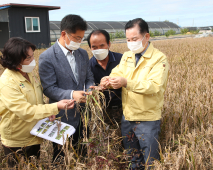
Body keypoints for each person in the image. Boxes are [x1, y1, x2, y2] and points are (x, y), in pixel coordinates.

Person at [100, 18, 169, 169]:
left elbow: (154, 86)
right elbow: (117, 72)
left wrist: (126, 83)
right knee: (133, 158)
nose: (131, 43)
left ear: (147, 37)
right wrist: (107, 80)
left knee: (151, 160)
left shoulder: (159, 59)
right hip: (128, 116)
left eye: (135, 39)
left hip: (147, 118)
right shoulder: (127, 56)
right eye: (128, 39)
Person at [0, 37, 75, 167]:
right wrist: (55, 106)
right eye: (28, 58)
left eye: (32, 56)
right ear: (16, 61)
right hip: (18, 139)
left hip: (34, 133)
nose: (33, 60)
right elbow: (25, 111)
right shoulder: (7, 83)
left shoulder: (28, 73)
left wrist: (47, 111)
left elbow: (35, 99)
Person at [38, 14, 94, 162]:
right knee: (61, 157)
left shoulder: (82, 54)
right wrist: (71, 94)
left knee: (81, 153)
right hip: (61, 116)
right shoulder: (47, 57)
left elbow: (89, 78)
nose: (80, 42)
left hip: (83, 114)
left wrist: (89, 90)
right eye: (76, 38)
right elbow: (49, 88)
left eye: (82, 38)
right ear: (64, 34)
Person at [87, 29, 122, 125]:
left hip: (124, 110)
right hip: (101, 113)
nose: (99, 49)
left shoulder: (122, 60)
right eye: (94, 47)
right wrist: (96, 90)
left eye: (102, 45)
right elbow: (88, 88)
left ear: (109, 44)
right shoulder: (88, 66)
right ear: (90, 48)